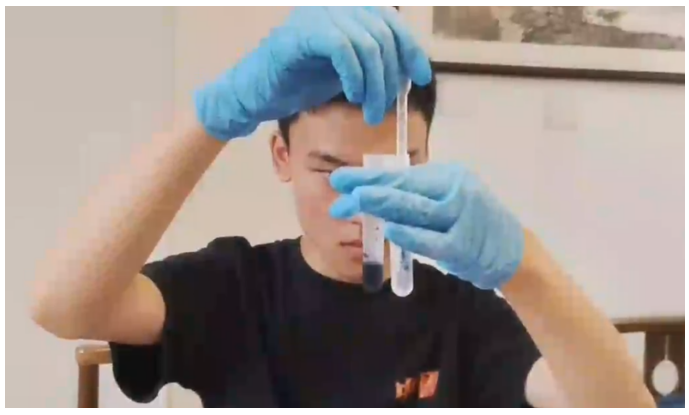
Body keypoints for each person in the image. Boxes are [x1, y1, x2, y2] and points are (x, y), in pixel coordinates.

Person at [31, 7, 654, 408]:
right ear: (281, 156)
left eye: (391, 171)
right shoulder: (235, 289)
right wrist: (212, 116)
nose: (363, 210)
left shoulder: (462, 316)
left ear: (425, 156)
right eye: (331, 172)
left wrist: (525, 266)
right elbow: (62, 305)